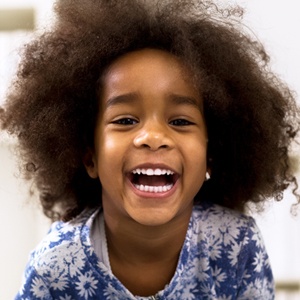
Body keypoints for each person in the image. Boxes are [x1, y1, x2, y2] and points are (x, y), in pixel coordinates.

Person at [1, 0, 299, 299]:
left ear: (212, 155)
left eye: (181, 121)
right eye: (126, 120)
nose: (153, 137)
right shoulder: (56, 266)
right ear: (90, 156)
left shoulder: (236, 244)